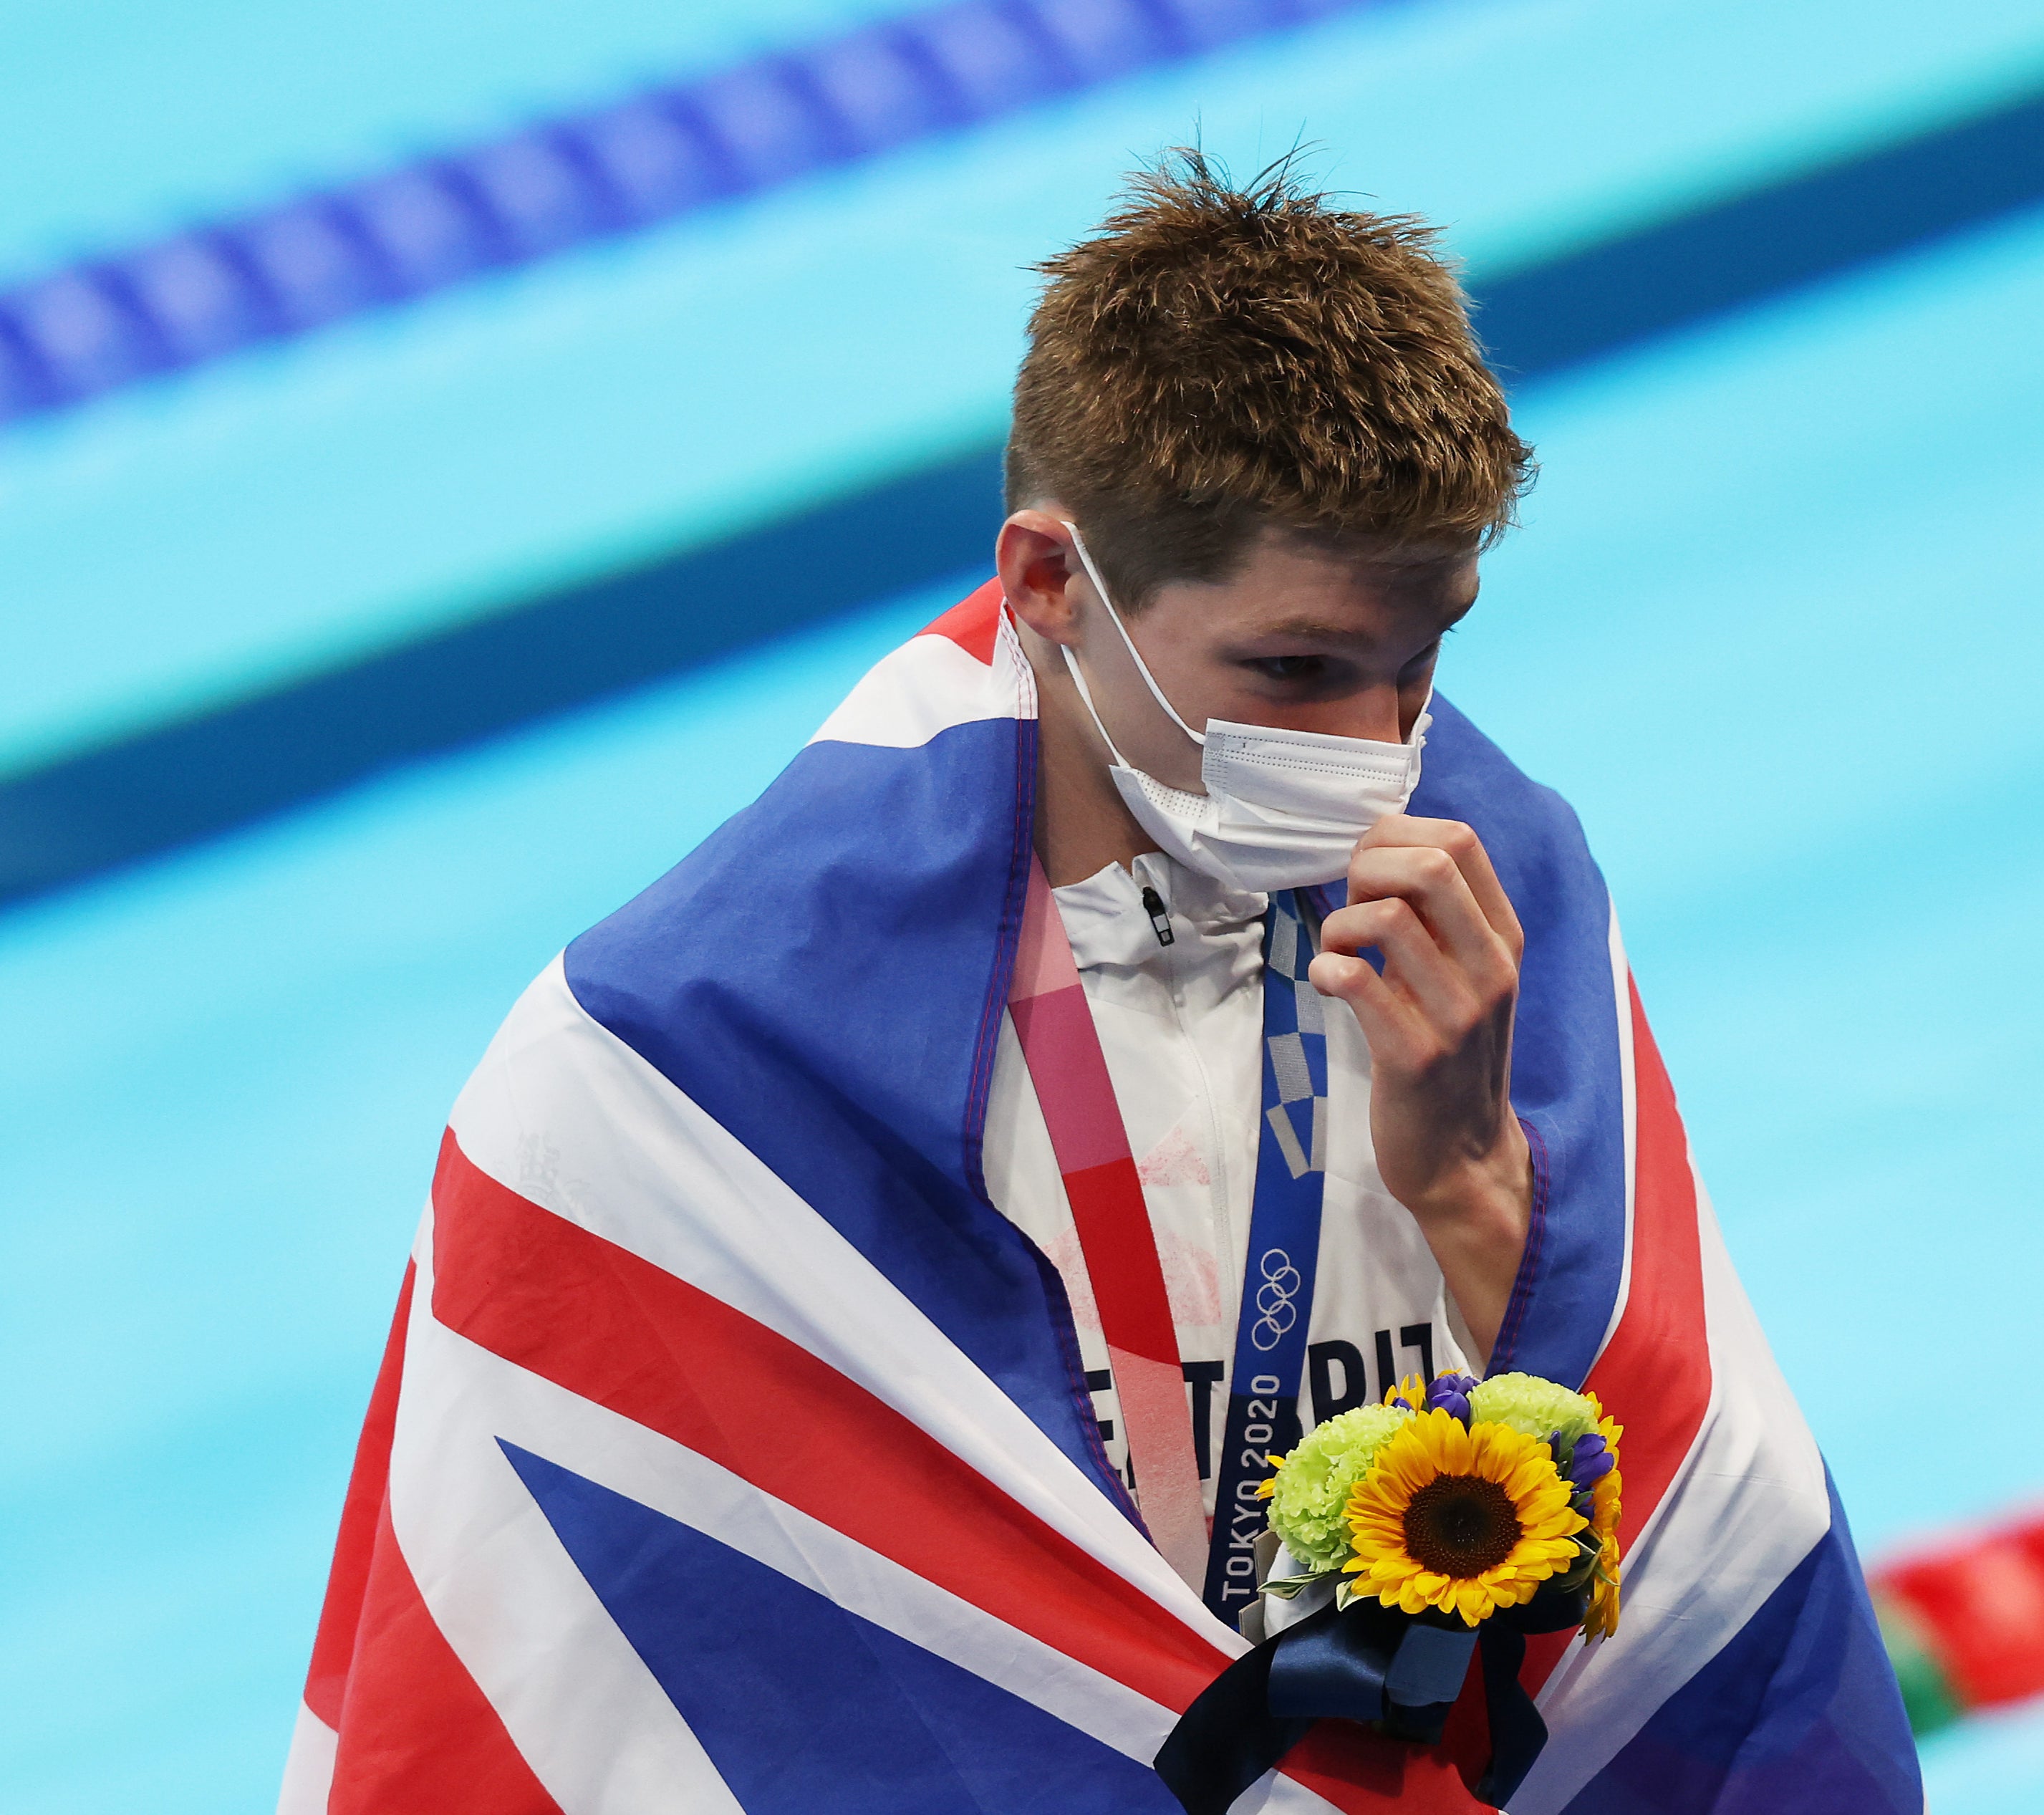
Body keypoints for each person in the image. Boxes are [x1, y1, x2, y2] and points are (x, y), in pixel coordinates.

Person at [279, 154, 1921, 1813]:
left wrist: (1483, 1190)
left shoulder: (1501, 881)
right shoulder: (686, 1071)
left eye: (1419, 658)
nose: (1374, 753)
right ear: (1050, 583)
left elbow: (1677, 1549)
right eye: (1293, 669)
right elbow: (600, 1676)